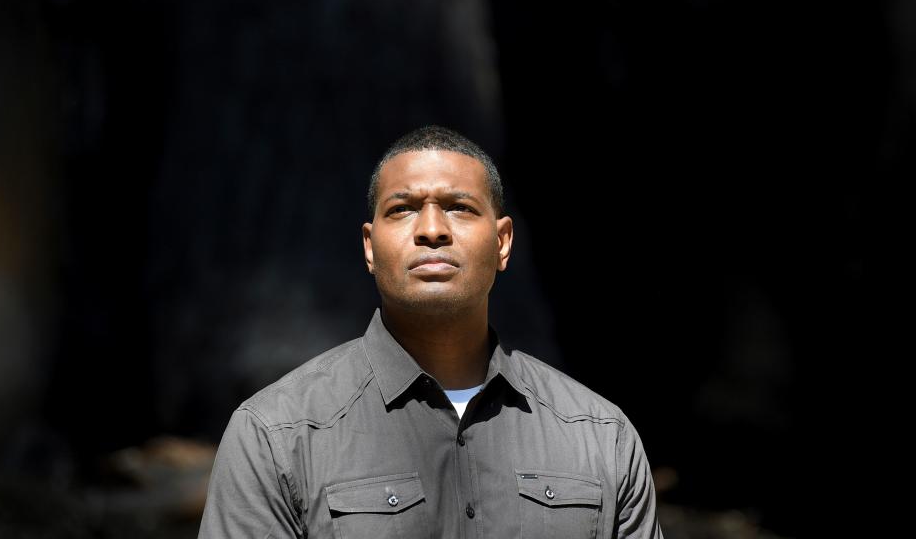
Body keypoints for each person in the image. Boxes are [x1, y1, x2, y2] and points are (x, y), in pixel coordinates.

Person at [198, 124, 664, 538]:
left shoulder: (600, 435)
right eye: (402, 209)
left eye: (459, 207)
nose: (432, 229)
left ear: (502, 242)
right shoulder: (277, 434)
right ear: (369, 247)